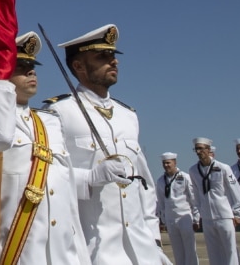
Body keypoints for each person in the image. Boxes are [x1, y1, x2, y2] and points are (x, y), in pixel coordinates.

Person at [0, 31, 89, 265]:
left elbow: (67, 192)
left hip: (63, 254)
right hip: (18, 253)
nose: (31, 71)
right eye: (20, 66)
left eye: (32, 65)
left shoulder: (49, 121)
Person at [42, 25, 162, 265]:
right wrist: (90, 177)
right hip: (93, 246)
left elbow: (144, 183)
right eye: (102, 57)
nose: (113, 62)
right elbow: (48, 179)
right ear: (78, 66)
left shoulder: (128, 115)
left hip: (141, 248)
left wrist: (153, 236)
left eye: (113, 56)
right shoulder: (57, 113)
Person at [187, 138, 240, 265]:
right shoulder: (193, 170)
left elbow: (237, 192)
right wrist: (199, 214)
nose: (199, 151)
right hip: (207, 217)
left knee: (230, 250)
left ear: (208, 150)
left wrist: (237, 213)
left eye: (201, 148)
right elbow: (196, 195)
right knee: (213, 251)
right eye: (197, 149)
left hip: (224, 215)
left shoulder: (223, 168)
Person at [154, 153, 198, 265]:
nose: (166, 165)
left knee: (190, 249)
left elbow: (193, 198)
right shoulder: (160, 181)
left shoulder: (184, 177)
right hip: (170, 219)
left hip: (185, 217)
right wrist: (162, 219)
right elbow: (160, 202)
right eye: (164, 163)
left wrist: (196, 218)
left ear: (175, 163)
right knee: (177, 250)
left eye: (168, 162)